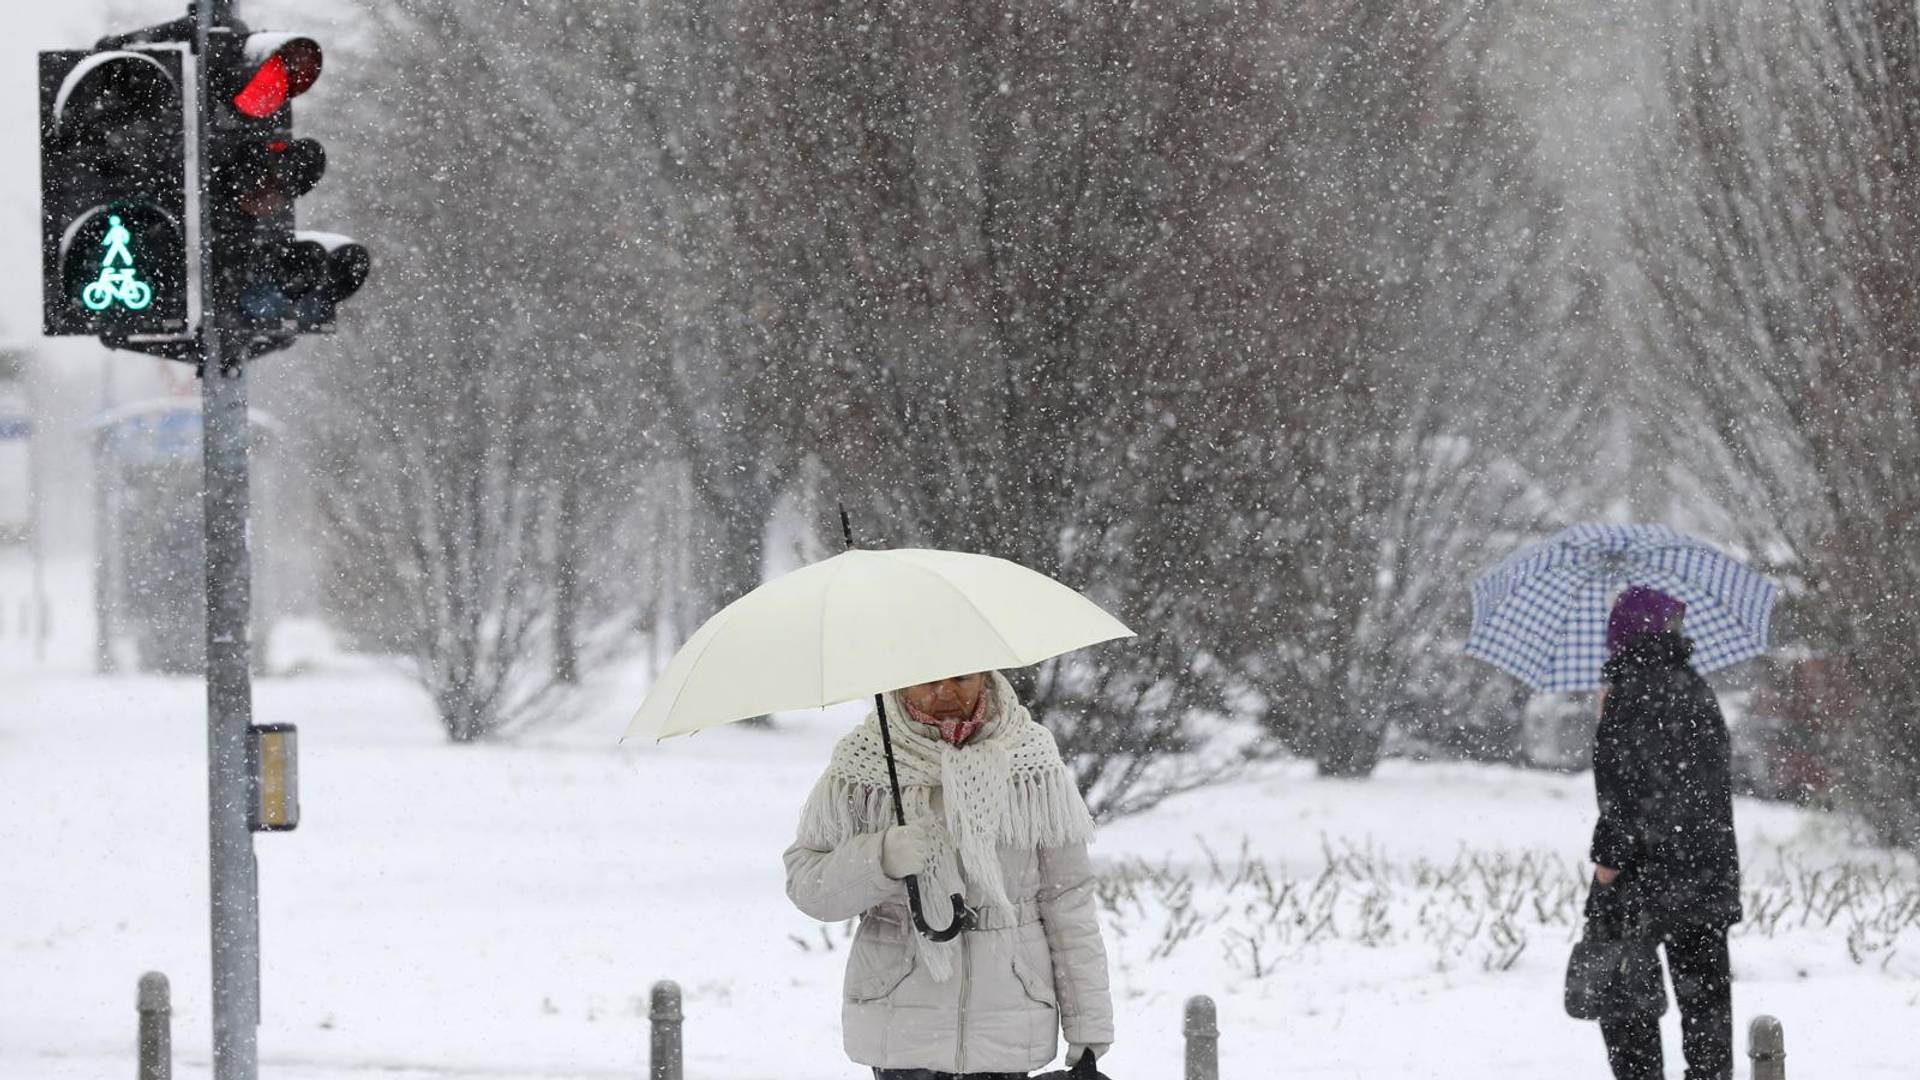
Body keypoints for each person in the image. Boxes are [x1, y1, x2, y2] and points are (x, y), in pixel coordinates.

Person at [785, 671, 1114, 1078]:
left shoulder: (1031, 760)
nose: (943, 693)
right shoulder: (865, 763)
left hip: (1008, 1019)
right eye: (925, 681)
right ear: (900, 684)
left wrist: (1088, 1022)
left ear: (985, 677)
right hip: (899, 1023)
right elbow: (807, 884)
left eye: (961, 679)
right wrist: (880, 858)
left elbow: (1068, 902)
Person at [1589, 586, 1743, 1080]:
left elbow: (1623, 796)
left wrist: (1607, 873)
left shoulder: (1627, 694)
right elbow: (1706, 785)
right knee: (1706, 1009)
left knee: (1622, 996)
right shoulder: (1697, 689)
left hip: (1642, 878)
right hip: (1706, 872)